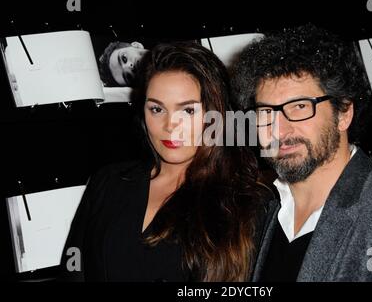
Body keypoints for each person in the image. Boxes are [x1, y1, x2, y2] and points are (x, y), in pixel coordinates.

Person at [230, 24, 372, 281]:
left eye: (300, 107)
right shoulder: (266, 209)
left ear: (344, 113)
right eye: (266, 112)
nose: (279, 130)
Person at [59, 41, 272, 281]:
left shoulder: (248, 204)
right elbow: (72, 273)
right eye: (157, 109)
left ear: (216, 115)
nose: (170, 125)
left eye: (187, 111)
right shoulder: (107, 182)